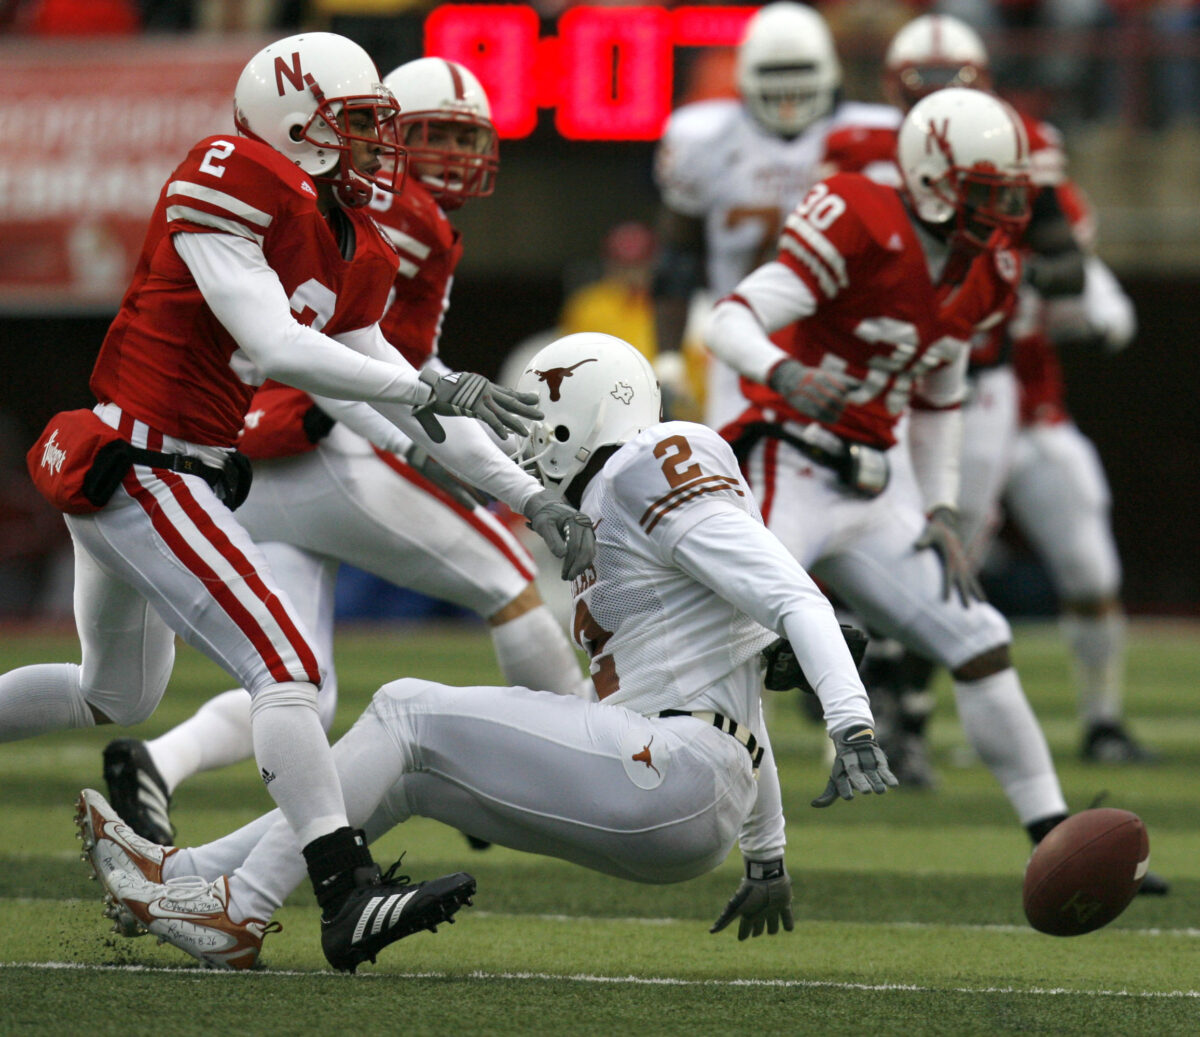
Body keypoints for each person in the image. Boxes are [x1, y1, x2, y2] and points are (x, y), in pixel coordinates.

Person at [9, 32, 596, 973]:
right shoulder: (232, 175)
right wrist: (422, 397)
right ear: (298, 121)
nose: (378, 143)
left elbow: (382, 369)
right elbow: (280, 349)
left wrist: (527, 494)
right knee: (287, 668)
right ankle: (342, 890)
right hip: (146, 464)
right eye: (360, 121)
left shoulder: (348, 229)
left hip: (178, 468)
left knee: (112, 692)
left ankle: (279, 868)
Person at [75, 332, 897, 972]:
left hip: (672, 770)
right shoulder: (617, 510)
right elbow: (740, 686)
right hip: (683, 781)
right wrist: (765, 854)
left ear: (596, 406)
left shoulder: (654, 459)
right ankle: (183, 879)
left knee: (403, 705)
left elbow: (793, 599)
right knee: (402, 775)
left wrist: (852, 720)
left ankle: (239, 911)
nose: (533, 438)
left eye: (545, 413)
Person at [100, 57, 586, 851]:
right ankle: (569, 774)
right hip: (327, 445)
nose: (458, 154)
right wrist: (436, 446)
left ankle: (160, 760)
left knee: (301, 684)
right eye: (438, 134)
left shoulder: (341, 205)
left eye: (470, 137)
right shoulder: (393, 216)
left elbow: (365, 352)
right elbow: (353, 358)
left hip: (255, 459)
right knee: (508, 580)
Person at [706, 87, 1082, 854]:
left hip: (874, 484)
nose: (1009, 210)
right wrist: (785, 374)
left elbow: (943, 387)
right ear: (936, 178)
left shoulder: (990, 268)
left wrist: (941, 505)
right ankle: (658, 791)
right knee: (732, 639)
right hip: (793, 457)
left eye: (1015, 193)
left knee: (979, 639)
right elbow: (729, 318)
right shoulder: (859, 216)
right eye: (992, 191)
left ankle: (1053, 830)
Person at [823, 13, 1156, 781]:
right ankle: (865, 698)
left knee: (949, 542)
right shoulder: (857, 151)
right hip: (895, 378)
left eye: (954, 86)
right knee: (880, 542)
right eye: (923, 88)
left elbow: (1067, 256)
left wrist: (1035, 278)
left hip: (987, 382)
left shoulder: (1022, 146)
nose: (939, 103)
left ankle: (907, 716)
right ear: (892, 91)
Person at [651, 0, 898, 429]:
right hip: (742, 351)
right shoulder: (704, 138)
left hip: (848, 348)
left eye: (799, 72)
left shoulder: (875, 137)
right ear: (745, 74)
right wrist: (669, 357)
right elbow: (679, 255)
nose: (787, 93)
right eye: (773, 75)